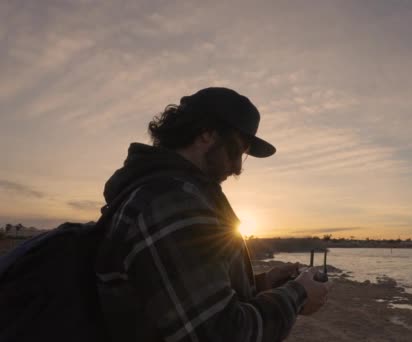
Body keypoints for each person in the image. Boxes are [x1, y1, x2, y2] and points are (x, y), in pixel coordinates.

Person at [95, 87, 331, 342]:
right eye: (236, 151)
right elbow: (222, 333)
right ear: (207, 134)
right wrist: (298, 295)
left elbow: (178, 295)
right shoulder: (173, 203)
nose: (238, 167)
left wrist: (262, 284)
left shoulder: (158, 191)